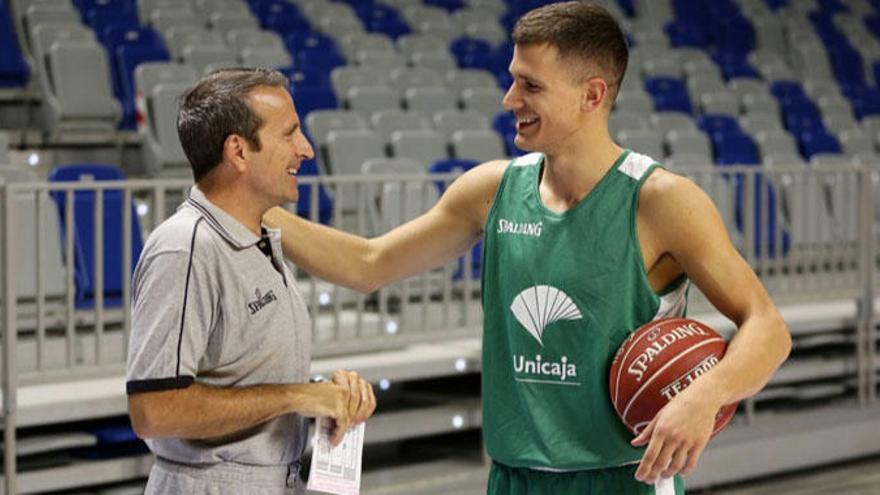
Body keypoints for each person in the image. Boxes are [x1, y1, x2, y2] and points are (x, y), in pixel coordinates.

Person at [265, 2, 792, 494]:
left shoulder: (661, 200)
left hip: (624, 476)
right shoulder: (491, 190)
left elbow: (766, 327)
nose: (509, 100)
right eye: (513, 80)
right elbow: (368, 264)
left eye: (529, 85)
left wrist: (707, 394)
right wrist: (252, 208)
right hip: (515, 476)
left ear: (592, 94)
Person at [125, 68, 376, 495]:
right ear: (238, 151)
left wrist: (323, 395)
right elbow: (154, 409)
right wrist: (297, 397)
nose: (307, 149)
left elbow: (241, 379)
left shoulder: (256, 239)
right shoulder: (185, 246)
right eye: (290, 134)